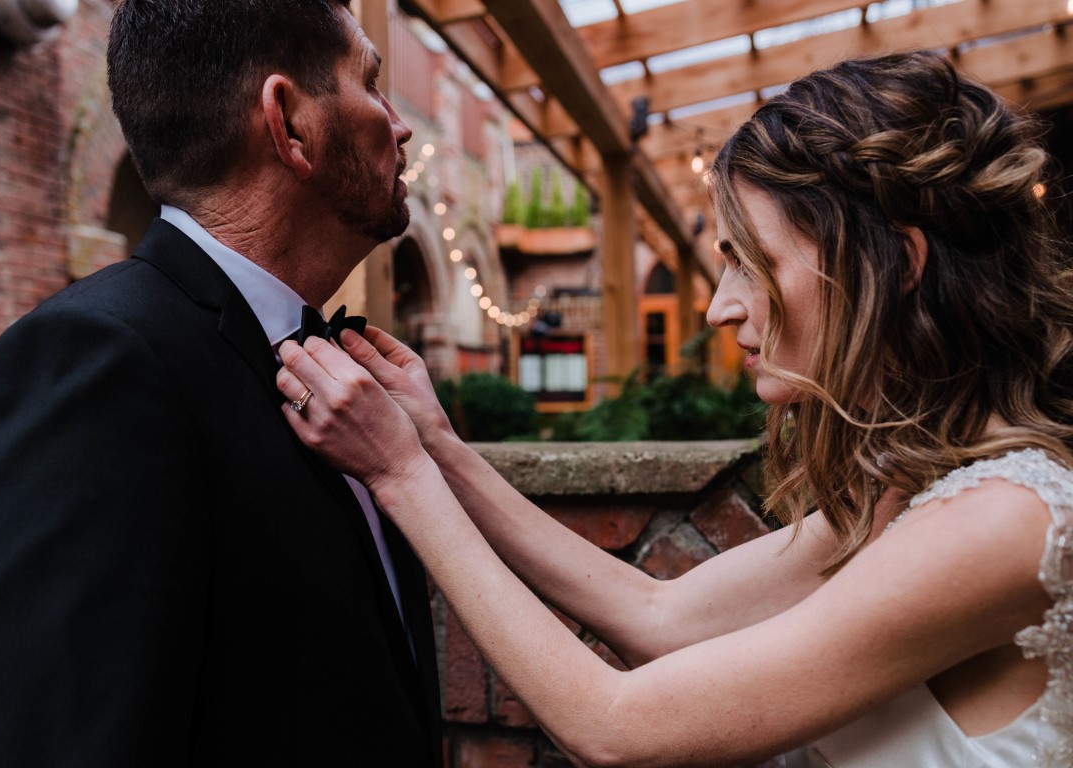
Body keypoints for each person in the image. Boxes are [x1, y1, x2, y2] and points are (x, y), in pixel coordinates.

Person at [274, 50, 1073, 767]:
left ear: (896, 262)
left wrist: (402, 476)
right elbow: (661, 614)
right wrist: (443, 450)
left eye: (750, 263)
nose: (720, 309)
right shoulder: (912, 486)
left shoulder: (1003, 522)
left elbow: (614, 725)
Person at [0, 1, 442, 765]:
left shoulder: (343, 376)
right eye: (369, 80)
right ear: (289, 122)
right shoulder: (93, 366)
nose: (400, 126)